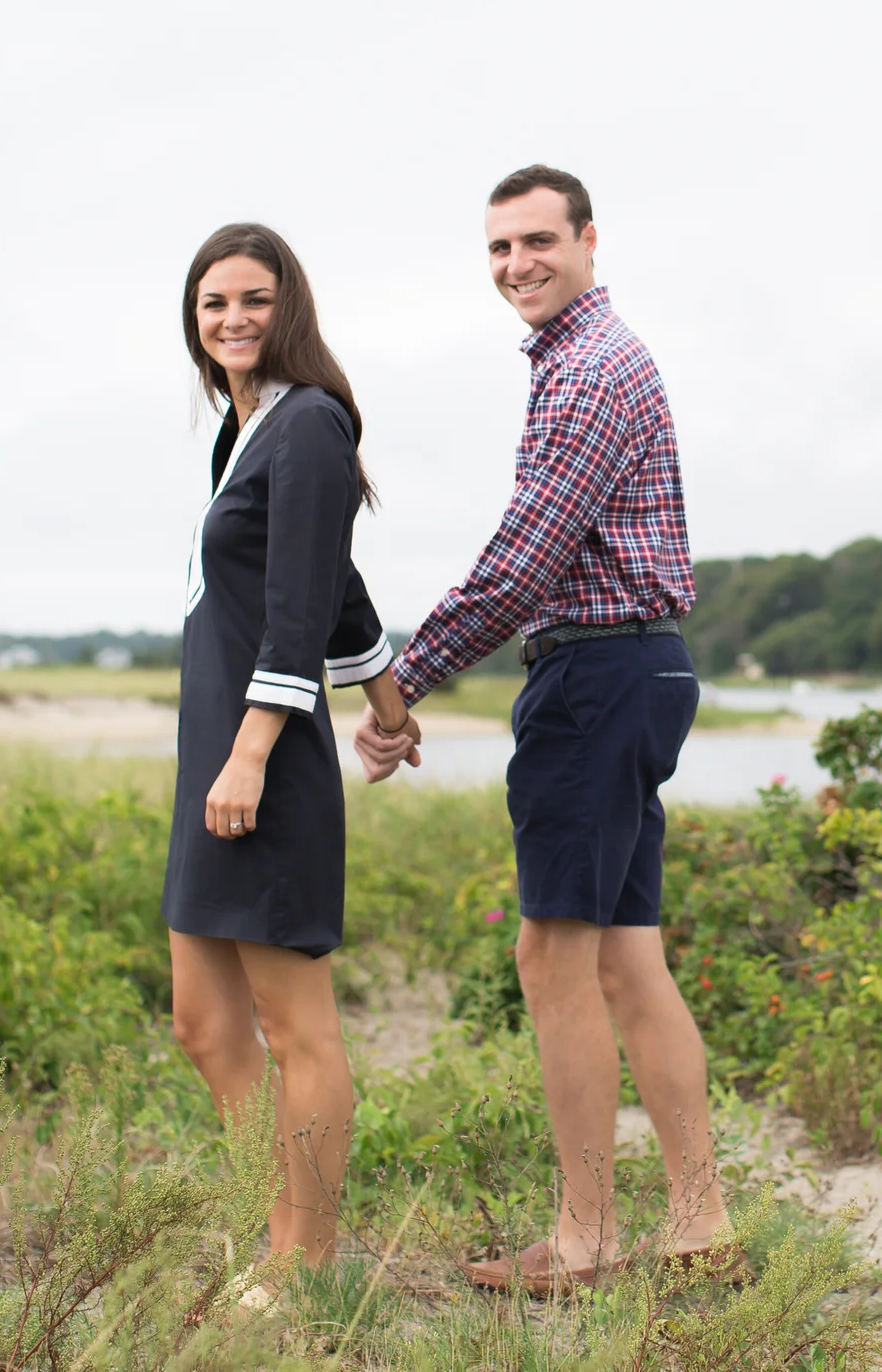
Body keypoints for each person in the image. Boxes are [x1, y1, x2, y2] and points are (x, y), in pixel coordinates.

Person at [355, 165, 732, 1296]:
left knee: (551, 955)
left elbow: (524, 563)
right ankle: (700, 1222)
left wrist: (398, 683)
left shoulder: (588, 372)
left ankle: (583, 1238)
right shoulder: (593, 360)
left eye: (535, 241)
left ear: (587, 240)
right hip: (639, 668)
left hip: (598, 678)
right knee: (625, 957)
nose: (515, 264)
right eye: (496, 249)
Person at [164, 221, 417, 1273]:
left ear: (290, 309)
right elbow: (340, 596)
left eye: (254, 301)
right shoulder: (246, 430)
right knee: (202, 1025)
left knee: (294, 1028)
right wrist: (392, 709)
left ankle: (299, 1265)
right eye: (214, 303)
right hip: (217, 761)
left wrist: (255, 748)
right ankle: (257, 1226)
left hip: (256, 767)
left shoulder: (309, 421)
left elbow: (301, 603)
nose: (233, 320)